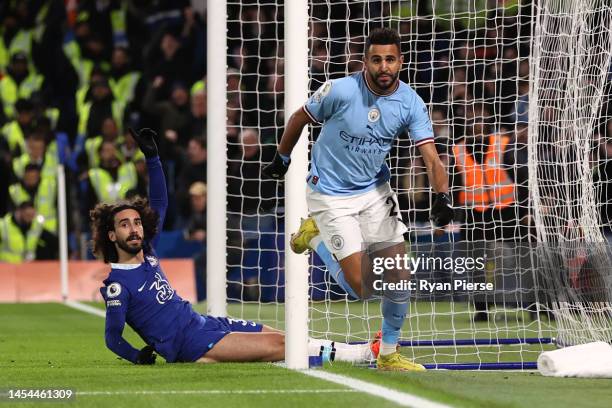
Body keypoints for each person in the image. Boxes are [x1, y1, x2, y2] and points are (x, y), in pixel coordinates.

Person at [94, 128, 375, 365]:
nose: (134, 229)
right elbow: (111, 337)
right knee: (281, 345)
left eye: (136, 223)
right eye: (124, 225)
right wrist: (136, 356)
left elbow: (160, 204)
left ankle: (356, 351)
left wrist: (153, 159)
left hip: (203, 323)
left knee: (284, 335)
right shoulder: (118, 285)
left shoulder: (148, 254)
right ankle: (362, 354)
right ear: (111, 236)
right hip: (190, 343)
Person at [263, 27, 454, 371]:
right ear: (364, 61)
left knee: (399, 277)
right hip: (330, 193)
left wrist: (442, 196)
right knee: (362, 287)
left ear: (401, 62)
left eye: (390, 60)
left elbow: (431, 157)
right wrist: (283, 157)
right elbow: (299, 118)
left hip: (375, 192)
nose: (384, 67)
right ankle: (314, 235)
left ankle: (388, 354)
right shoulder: (340, 90)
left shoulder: (410, 101)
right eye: (376, 59)